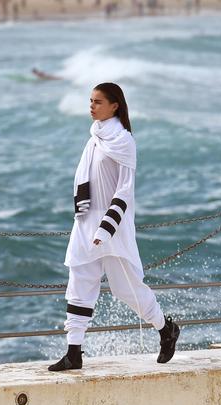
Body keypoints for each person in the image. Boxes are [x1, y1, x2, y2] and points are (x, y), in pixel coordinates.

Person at [48, 82, 180, 372]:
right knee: (79, 284)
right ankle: (73, 352)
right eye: (90, 100)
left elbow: (125, 190)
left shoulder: (123, 140)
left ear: (114, 106)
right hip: (85, 222)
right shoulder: (94, 137)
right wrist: (88, 223)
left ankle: (165, 329)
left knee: (125, 289)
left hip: (112, 226)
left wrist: (105, 228)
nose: (91, 106)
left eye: (97, 101)